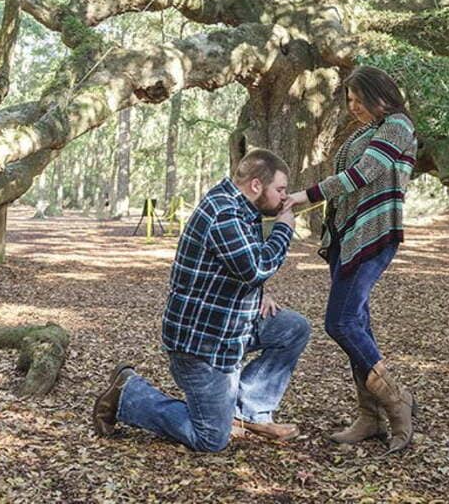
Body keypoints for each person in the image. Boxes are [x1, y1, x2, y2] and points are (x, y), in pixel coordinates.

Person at [91, 148, 310, 452]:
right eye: (281, 190)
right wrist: (284, 228)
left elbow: (232, 266)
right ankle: (128, 393)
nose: (285, 199)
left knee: (293, 328)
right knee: (210, 439)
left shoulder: (240, 208)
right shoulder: (225, 213)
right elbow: (255, 267)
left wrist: (259, 292)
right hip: (202, 347)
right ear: (257, 185)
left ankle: (249, 412)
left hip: (230, 328)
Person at [286, 66, 418, 454]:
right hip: (348, 234)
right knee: (357, 324)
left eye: (359, 99)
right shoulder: (365, 131)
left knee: (339, 321)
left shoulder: (397, 126)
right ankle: (370, 416)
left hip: (375, 234)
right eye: (349, 100)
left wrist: (305, 196)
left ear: (382, 94)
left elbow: (364, 174)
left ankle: (397, 400)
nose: (352, 107)